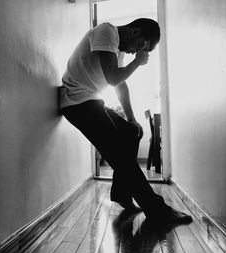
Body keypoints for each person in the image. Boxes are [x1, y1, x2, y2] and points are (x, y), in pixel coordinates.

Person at [60, 18, 192, 224]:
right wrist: (137, 62)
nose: (137, 52)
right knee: (120, 155)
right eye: (141, 47)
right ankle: (156, 209)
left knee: (132, 132)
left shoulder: (117, 49)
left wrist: (132, 119)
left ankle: (122, 194)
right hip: (76, 102)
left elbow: (119, 85)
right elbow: (113, 78)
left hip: (91, 100)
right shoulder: (107, 31)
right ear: (135, 32)